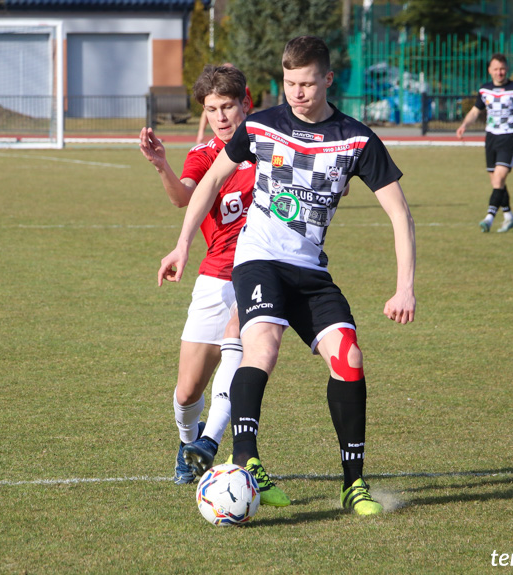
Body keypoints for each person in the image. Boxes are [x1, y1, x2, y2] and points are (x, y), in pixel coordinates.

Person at [158, 36, 416, 515]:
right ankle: (246, 461)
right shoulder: (260, 126)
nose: (297, 92)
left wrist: (405, 286)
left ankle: (352, 484)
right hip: (258, 259)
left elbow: (400, 213)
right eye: (289, 82)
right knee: (263, 345)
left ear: (328, 79)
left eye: (306, 83)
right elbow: (212, 179)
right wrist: (181, 244)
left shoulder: (357, 138)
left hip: (310, 269)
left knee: (350, 358)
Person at [140, 65, 288, 504]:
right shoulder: (205, 155)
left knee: (236, 342)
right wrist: (162, 165)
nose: (221, 116)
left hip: (261, 270)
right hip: (213, 276)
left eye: (228, 106)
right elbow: (184, 196)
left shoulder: (271, 148)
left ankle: (210, 443)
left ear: (247, 104)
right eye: (212, 109)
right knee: (187, 392)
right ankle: (190, 445)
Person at [456, 53, 513, 233]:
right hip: (491, 137)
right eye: (496, 69)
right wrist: (464, 125)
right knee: (496, 182)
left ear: (507, 70)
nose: (500, 73)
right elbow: (476, 111)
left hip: (508, 137)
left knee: (499, 178)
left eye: (503, 69)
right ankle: (509, 216)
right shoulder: (484, 90)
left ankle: (489, 218)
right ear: (490, 71)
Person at [195, 63, 253, 144]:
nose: (221, 118)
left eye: (228, 107)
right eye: (212, 110)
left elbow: (251, 111)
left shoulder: (267, 147)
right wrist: (200, 133)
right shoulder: (202, 155)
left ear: (245, 104)